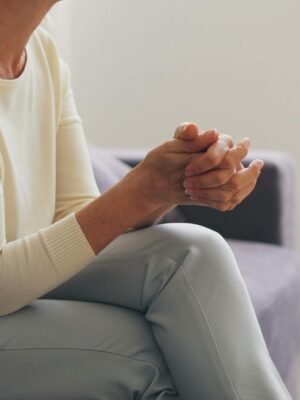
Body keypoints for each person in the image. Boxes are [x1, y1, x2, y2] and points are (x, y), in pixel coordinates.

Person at [0, 1, 293, 399]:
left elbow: (76, 223)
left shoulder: (43, 54)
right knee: (145, 355)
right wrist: (135, 192)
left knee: (193, 251)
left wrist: (167, 187)